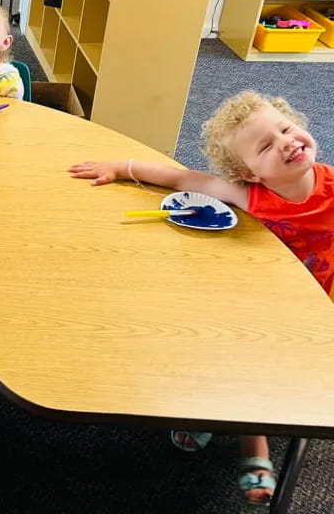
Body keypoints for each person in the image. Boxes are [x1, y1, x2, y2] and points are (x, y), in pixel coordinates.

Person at [69, 91, 334, 505]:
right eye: (266, 145)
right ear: (249, 173)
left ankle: (233, 427)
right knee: (229, 347)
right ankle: (247, 440)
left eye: (284, 129)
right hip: (267, 307)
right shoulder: (252, 197)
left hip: (321, 310)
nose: (286, 141)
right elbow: (181, 180)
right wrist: (121, 167)